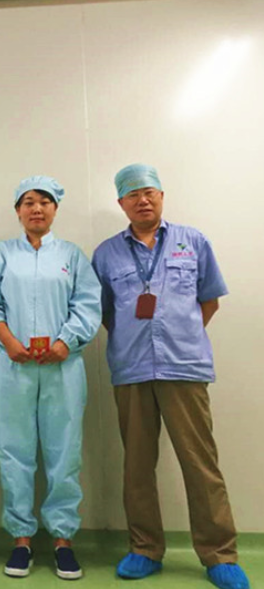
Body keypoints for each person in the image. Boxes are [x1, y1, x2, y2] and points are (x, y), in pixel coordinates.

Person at [91, 164, 249, 589]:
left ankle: (220, 555)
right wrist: (135, 340)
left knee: (201, 464)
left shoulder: (192, 241)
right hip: (131, 369)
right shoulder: (106, 254)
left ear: (161, 196)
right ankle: (145, 549)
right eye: (133, 194)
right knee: (138, 466)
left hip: (185, 367)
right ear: (121, 203)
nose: (142, 200)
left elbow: (209, 301)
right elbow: (105, 313)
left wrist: (181, 336)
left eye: (150, 192)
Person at [0, 176, 101, 580]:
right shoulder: (2, 254)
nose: (36, 208)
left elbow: (87, 304)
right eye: (29, 202)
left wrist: (66, 342)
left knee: (64, 450)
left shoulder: (71, 256)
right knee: (14, 450)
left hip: (62, 366)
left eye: (45, 201)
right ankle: (21, 540)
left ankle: (63, 539)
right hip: (12, 365)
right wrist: (8, 340)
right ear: (18, 210)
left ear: (55, 209)